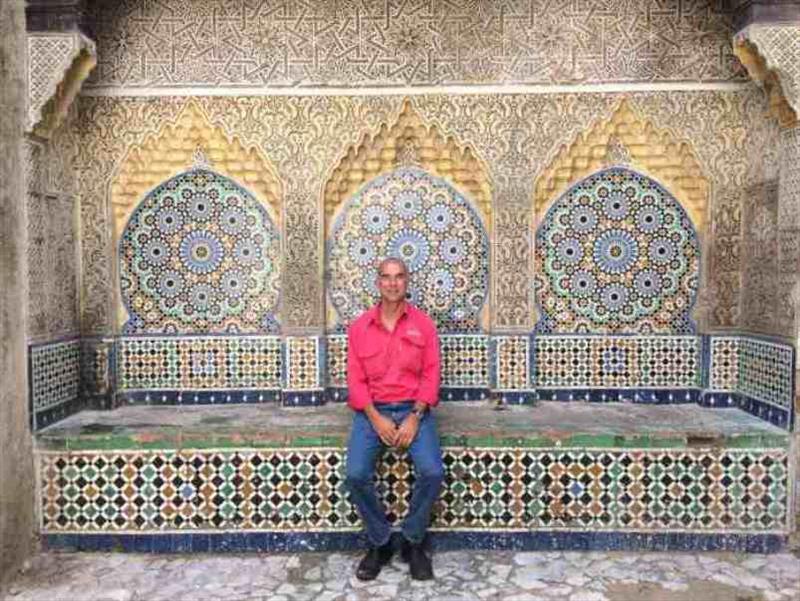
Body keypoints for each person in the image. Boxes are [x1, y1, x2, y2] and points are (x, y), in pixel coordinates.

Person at [345, 257, 444, 581]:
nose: (392, 283)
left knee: (432, 471)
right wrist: (375, 418)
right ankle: (381, 540)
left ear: (407, 281)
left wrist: (415, 417)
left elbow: (430, 376)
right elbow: (356, 381)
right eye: (386, 277)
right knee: (356, 474)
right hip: (373, 411)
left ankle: (413, 542)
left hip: (414, 409)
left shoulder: (424, 325)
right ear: (378, 282)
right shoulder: (360, 327)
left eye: (399, 276)